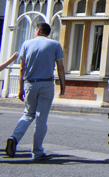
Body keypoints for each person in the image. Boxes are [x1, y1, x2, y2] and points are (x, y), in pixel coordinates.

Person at [5, 22, 65, 161]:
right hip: (46, 84)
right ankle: (37, 151)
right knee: (41, 118)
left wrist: (20, 88)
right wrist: (63, 85)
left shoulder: (26, 44)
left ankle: (14, 138)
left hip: (29, 83)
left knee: (27, 114)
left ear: (37, 30)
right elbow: (60, 67)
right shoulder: (55, 45)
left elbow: (22, 68)